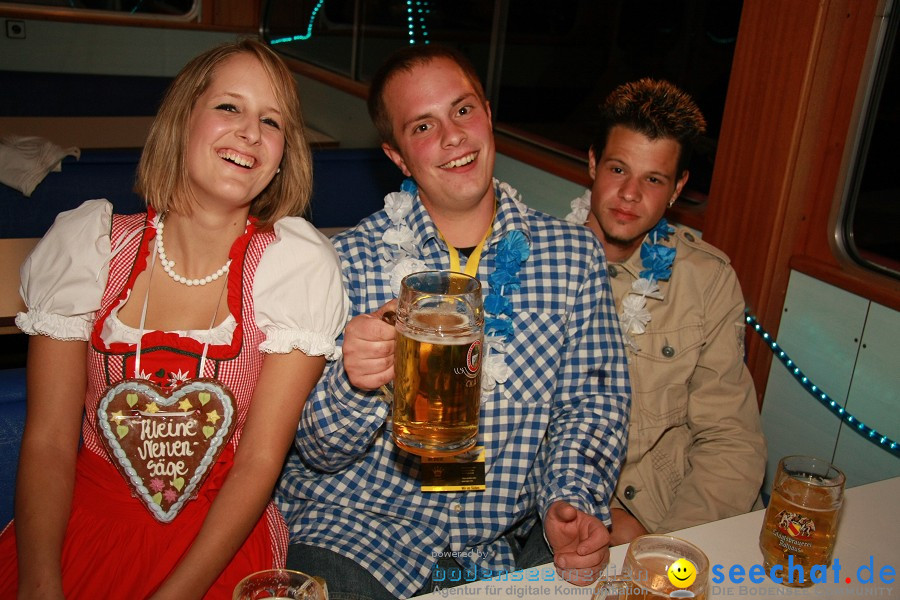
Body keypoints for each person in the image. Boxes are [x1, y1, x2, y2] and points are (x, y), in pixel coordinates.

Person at [276, 45, 631, 600]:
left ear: (488, 114)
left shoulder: (571, 256)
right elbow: (315, 450)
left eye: (462, 111)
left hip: (496, 541)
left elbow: (590, 405)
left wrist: (570, 499)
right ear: (397, 156)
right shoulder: (348, 260)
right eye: (423, 125)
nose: (452, 136)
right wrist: (356, 384)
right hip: (357, 532)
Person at [0, 39, 349, 598]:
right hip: (79, 524)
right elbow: (47, 441)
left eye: (272, 121)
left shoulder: (294, 268)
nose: (251, 133)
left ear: (285, 153)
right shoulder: (90, 248)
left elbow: (259, 461)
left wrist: (177, 593)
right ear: (182, 119)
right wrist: (40, 581)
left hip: (217, 542)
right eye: (229, 107)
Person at [565, 78, 766, 545]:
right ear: (593, 163)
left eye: (653, 179)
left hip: (670, 517)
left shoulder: (707, 280)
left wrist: (664, 544)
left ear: (677, 189)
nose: (631, 193)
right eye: (618, 169)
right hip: (568, 516)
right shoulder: (538, 263)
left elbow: (731, 442)